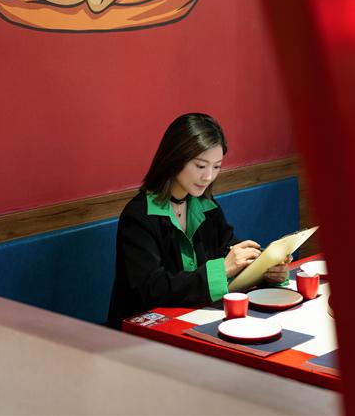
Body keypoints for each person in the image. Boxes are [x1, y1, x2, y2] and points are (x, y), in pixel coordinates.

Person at [107, 113, 290, 329]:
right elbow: (151, 289)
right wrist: (223, 269)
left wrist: (267, 270)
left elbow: (232, 254)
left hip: (197, 321)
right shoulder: (139, 215)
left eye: (216, 166)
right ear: (175, 159)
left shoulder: (206, 207)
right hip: (142, 333)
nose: (208, 176)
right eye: (201, 166)